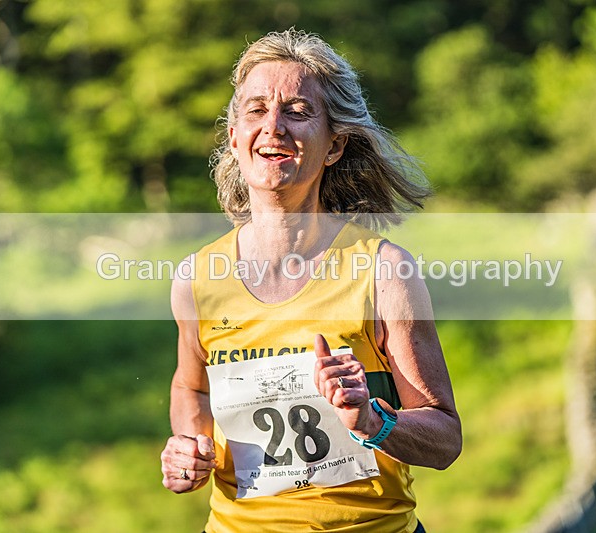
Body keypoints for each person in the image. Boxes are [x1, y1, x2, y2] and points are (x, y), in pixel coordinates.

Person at [160, 29, 462, 532]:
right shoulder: (196, 278)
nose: (273, 127)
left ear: (334, 145)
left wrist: (373, 420)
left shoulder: (384, 271)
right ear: (234, 137)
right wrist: (189, 446)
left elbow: (444, 438)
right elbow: (191, 388)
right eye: (255, 110)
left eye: (297, 111)